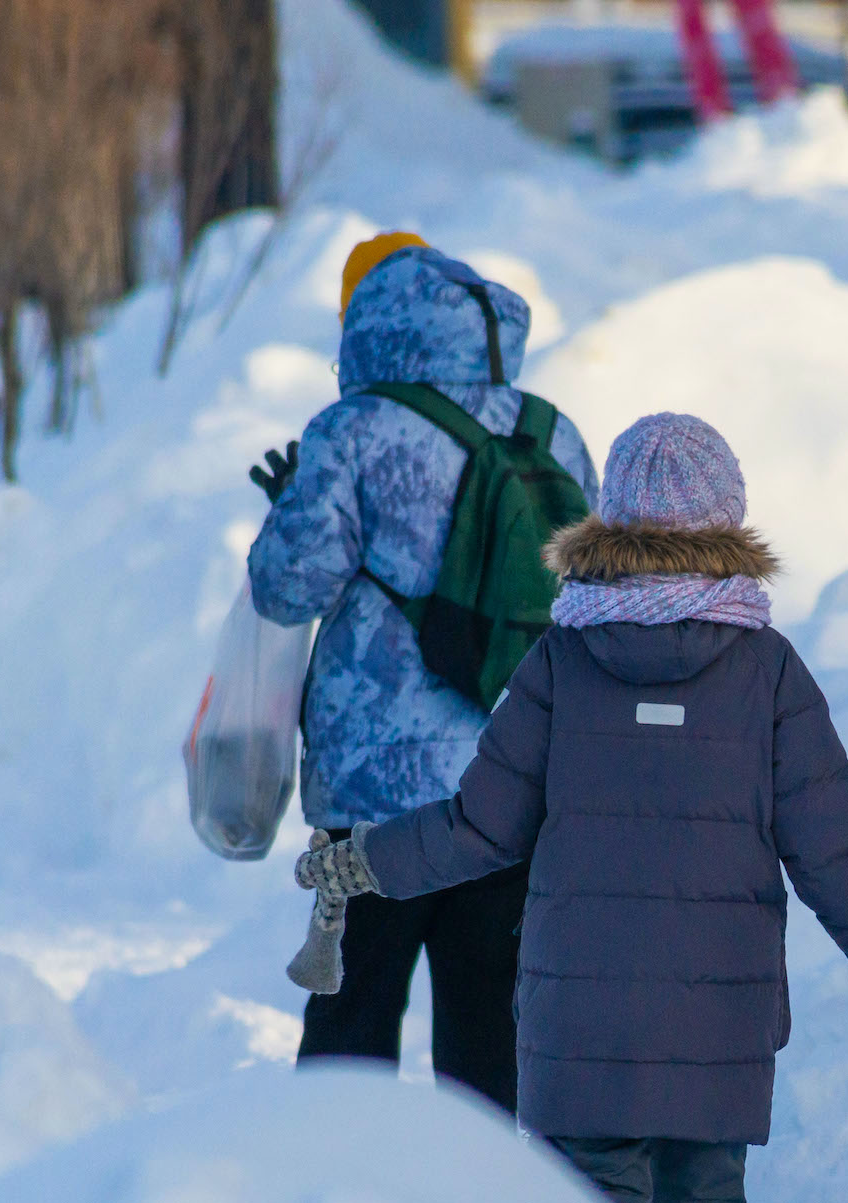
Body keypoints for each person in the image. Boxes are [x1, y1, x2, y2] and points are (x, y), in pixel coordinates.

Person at [292, 413, 848, 1203]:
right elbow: (828, 836)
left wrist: (366, 861)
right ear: (729, 522)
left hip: (579, 1032)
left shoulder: (561, 663)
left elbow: (481, 825)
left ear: (612, 524)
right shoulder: (768, 672)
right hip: (715, 1035)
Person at [247, 233, 598, 1108]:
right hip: (513, 783)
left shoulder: (356, 429)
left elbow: (288, 588)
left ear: (371, 326)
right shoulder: (553, 431)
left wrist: (297, 506)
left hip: (377, 797)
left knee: (352, 1023)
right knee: (489, 1038)